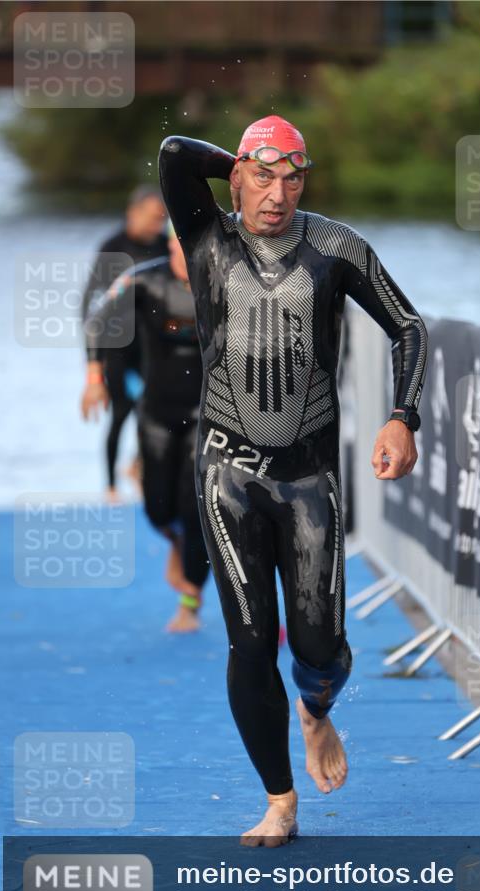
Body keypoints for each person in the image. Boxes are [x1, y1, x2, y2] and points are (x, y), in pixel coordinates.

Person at [159, 115, 428, 846]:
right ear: (237, 176)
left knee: (319, 652)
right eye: (262, 176)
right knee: (250, 645)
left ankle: (316, 711)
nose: (277, 193)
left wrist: (402, 416)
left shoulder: (335, 248)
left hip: (309, 481)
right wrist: (243, 160)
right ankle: (279, 799)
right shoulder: (208, 238)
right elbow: (174, 154)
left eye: (292, 177)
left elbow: (408, 326)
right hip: (226, 475)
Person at [81, 227, 210, 632]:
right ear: (170, 244)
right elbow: (98, 320)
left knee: (196, 511)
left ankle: (190, 599)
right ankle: (173, 541)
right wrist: (95, 376)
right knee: (159, 510)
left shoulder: (224, 280)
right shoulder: (143, 279)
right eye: (180, 246)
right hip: (156, 412)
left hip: (207, 414)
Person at [82, 186, 168, 501]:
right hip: (117, 347)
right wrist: (93, 366)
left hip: (153, 347)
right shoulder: (112, 248)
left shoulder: (163, 246)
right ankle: (110, 485)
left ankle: (138, 466)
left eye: (161, 220)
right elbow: (89, 306)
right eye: (151, 218)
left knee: (157, 411)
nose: (156, 226)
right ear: (132, 213)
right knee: (121, 413)